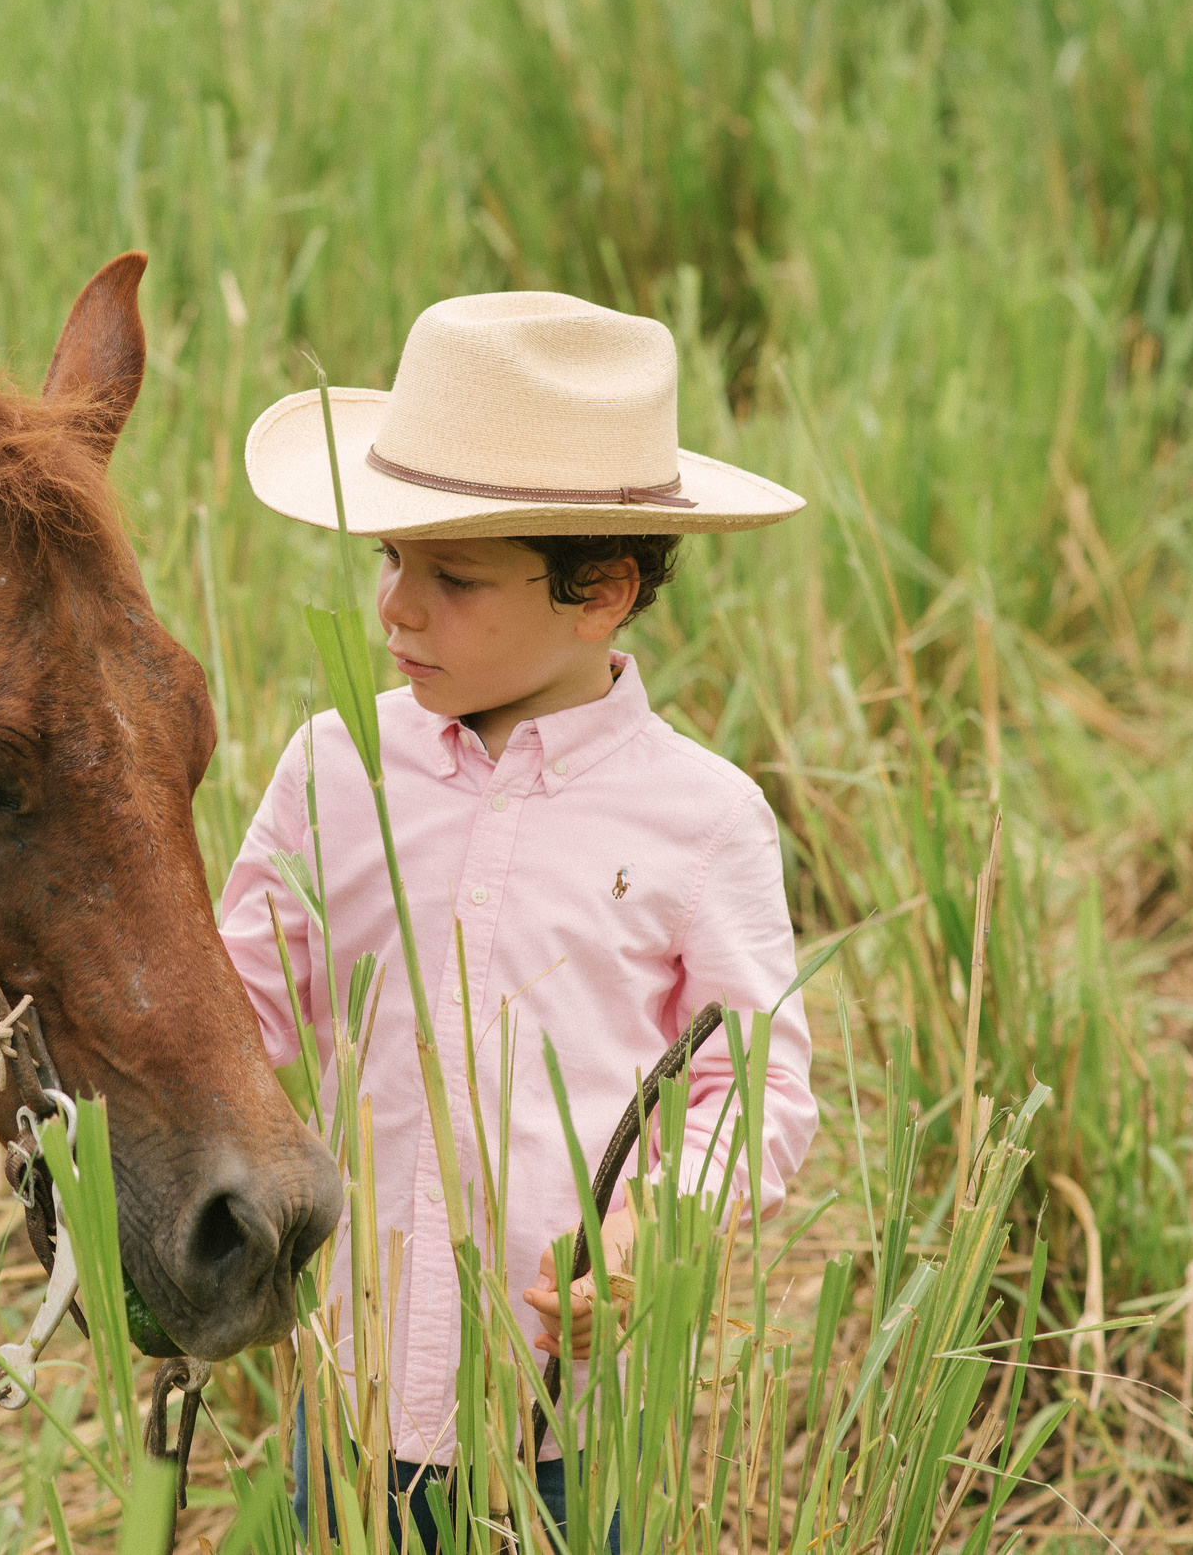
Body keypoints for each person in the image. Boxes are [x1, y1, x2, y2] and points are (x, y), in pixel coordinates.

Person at [219, 291, 820, 1550]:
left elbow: (749, 1087)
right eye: (390, 557)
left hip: (563, 1416)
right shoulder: (334, 768)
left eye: (454, 575)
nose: (395, 609)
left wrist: (651, 1230)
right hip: (351, 1383)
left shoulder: (701, 817)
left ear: (599, 589)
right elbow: (238, 1011)